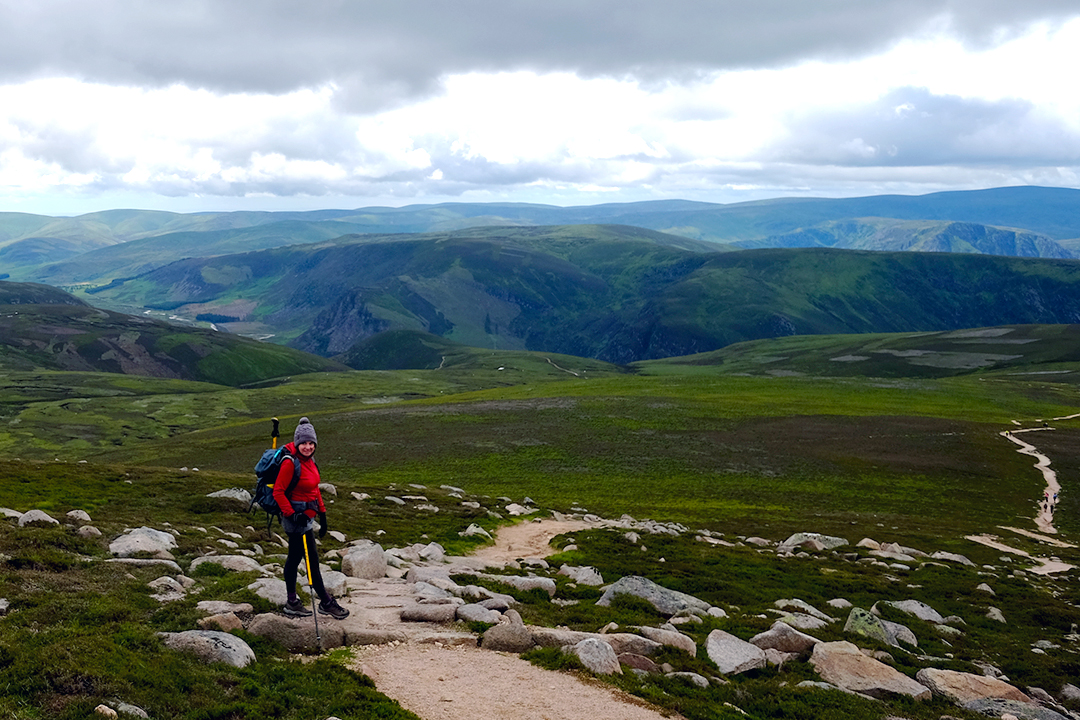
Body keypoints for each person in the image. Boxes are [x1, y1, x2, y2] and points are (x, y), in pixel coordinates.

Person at [274, 417, 349, 619]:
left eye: (311, 443)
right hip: (295, 519)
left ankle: (293, 601)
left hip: (307, 517)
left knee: (296, 557)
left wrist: (322, 514)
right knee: (310, 560)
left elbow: (314, 489)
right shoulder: (290, 463)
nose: (307, 447)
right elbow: (278, 492)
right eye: (304, 443)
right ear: (297, 443)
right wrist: (292, 514)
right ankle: (324, 602)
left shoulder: (310, 461)